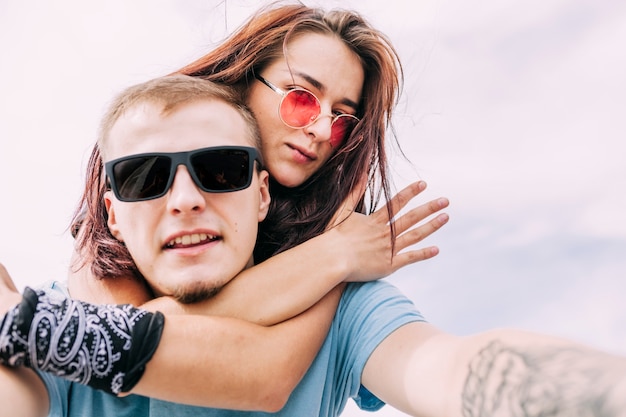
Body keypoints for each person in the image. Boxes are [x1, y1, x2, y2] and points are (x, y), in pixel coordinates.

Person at [58, 3, 626, 417]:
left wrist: (602, 390)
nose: (322, 130)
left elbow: (443, 367)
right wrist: (330, 257)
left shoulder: (347, 273)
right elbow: (116, 335)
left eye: (343, 117)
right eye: (302, 97)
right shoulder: (113, 245)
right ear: (241, 80)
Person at [0, 74, 444, 416]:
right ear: (112, 214)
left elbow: (444, 369)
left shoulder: (348, 306)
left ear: (263, 192)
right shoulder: (63, 301)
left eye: (221, 169)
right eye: (145, 178)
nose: (187, 201)